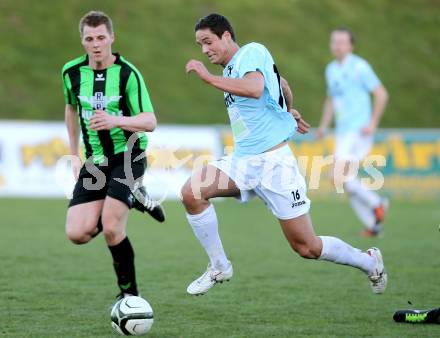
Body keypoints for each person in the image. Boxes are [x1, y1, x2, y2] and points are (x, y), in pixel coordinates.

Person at [181, 13, 387, 296]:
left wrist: (207, 77)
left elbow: (255, 88)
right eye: (200, 45)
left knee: (307, 247)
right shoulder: (231, 70)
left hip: (275, 165)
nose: (204, 50)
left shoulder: (251, 51)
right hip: (243, 161)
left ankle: (369, 261)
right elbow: (283, 85)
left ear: (226, 36)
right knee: (192, 192)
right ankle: (219, 265)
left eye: (208, 42)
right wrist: (285, 109)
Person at [62, 10, 164, 301]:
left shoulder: (128, 74)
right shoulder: (71, 72)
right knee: (77, 233)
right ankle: (134, 198)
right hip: (95, 161)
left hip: (129, 156)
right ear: (82, 41)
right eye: (89, 38)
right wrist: (73, 153)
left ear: (112, 38)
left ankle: (129, 297)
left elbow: (150, 121)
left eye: (101, 38)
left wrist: (114, 120)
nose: (96, 44)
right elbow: (71, 110)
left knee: (111, 227)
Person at [317, 28, 389, 237]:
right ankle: (374, 223)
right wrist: (323, 125)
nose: (337, 45)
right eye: (334, 41)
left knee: (336, 175)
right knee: (344, 179)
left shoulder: (360, 67)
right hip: (342, 132)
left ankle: (377, 203)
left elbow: (381, 94)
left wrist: (373, 122)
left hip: (358, 131)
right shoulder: (331, 69)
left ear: (350, 45)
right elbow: (331, 99)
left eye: (341, 42)